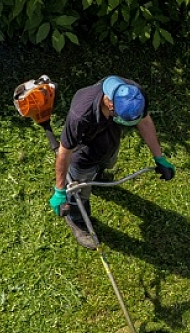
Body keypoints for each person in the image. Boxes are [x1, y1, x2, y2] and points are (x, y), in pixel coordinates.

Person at [47, 76, 175, 249]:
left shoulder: (134, 94)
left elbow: (144, 121)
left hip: (109, 140)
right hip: (83, 154)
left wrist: (159, 157)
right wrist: (59, 190)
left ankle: (98, 176)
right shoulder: (81, 115)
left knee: (109, 160)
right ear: (110, 105)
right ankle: (77, 221)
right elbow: (64, 152)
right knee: (79, 191)